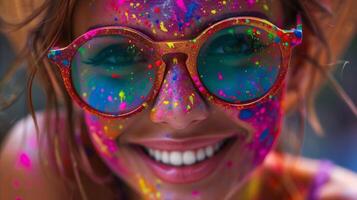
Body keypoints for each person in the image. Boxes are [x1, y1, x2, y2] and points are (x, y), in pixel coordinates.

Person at [1, 0, 357, 199]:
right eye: (118, 56)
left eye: (234, 46)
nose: (178, 114)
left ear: (296, 59)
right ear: (69, 77)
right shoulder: (47, 172)